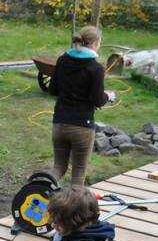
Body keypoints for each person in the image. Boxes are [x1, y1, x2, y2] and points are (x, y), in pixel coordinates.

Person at [49, 25, 115, 187]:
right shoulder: (96, 68)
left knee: (58, 168)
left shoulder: (62, 60)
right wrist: (108, 95)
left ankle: (37, 188)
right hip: (82, 126)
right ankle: (74, 211)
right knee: (78, 173)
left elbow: (52, 89)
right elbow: (98, 100)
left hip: (59, 123)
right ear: (94, 43)